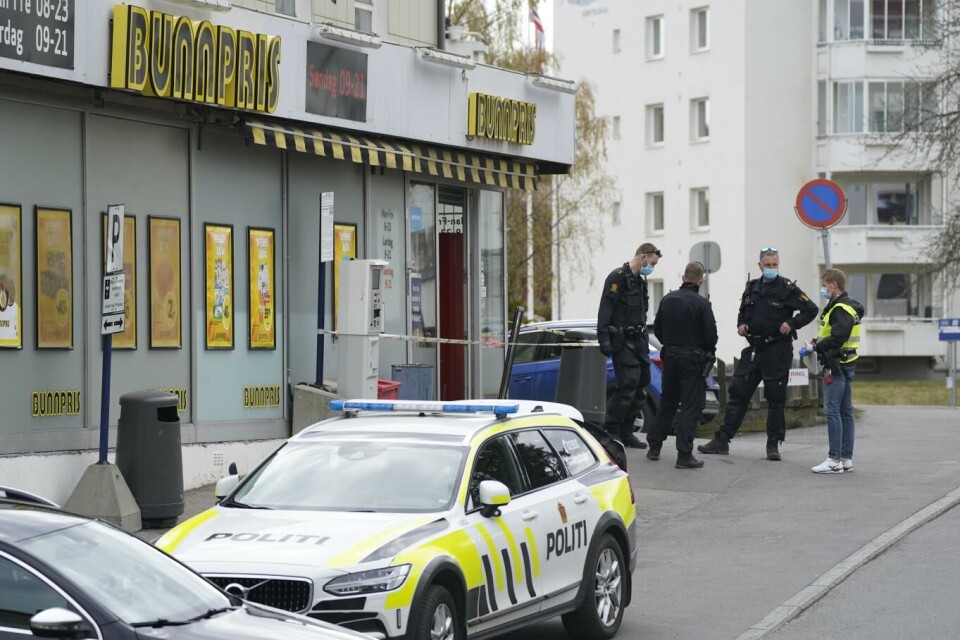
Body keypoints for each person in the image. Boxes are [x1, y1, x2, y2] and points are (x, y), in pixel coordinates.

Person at [698, 247, 818, 460]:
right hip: (754, 349)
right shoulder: (752, 287)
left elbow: (811, 309)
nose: (772, 268)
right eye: (768, 265)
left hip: (777, 349)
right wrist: (742, 324)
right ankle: (722, 440)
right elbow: (743, 312)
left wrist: (791, 322)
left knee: (775, 397)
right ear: (760, 265)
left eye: (775, 265)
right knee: (738, 393)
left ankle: (773, 444)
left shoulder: (787, 288)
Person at [646, 262, 718, 469]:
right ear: (701, 280)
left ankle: (654, 446)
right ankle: (684, 454)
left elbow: (657, 329)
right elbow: (711, 337)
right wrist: (704, 349)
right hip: (692, 360)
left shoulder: (667, 299)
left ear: (683, 277)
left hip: (670, 356)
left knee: (667, 402)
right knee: (690, 406)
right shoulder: (702, 304)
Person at [598, 243, 661, 449]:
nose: (652, 267)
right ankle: (611, 430)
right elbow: (606, 308)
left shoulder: (639, 281)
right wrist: (604, 338)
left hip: (639, 340)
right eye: (651, 262)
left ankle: (627, 431)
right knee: (628, 384)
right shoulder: (617, 277)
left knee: (642, 382)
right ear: (643, 257)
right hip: (622, 341)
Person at [801, 268, 864, 474]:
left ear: (833, 285)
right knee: (845, 411)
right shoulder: (845, 306)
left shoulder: (840, 309)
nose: (823, 288)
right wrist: (817, 341)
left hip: (836, 365)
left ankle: (834, 459)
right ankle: (846, 459)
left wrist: (815, 347)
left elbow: (837, 338)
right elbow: (834, 334)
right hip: (846, 362)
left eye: (824, 284)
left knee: (832, 410)